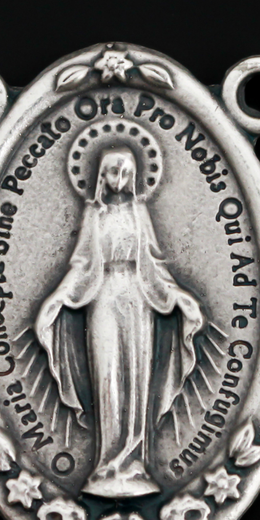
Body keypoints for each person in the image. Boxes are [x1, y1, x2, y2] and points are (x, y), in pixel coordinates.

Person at [35, 147, 203, 497]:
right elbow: (81, 264)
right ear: (102, 175)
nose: (120, 179)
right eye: (114, 172)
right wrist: (59, 297)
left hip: (139, 299)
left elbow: (153, 263)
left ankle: (135, 462)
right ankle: (106, 463)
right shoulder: (94, 215)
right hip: (103, 297)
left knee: (136, 374)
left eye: (127, 173)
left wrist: (176, 295)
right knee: (108, 374)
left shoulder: (140, 214)